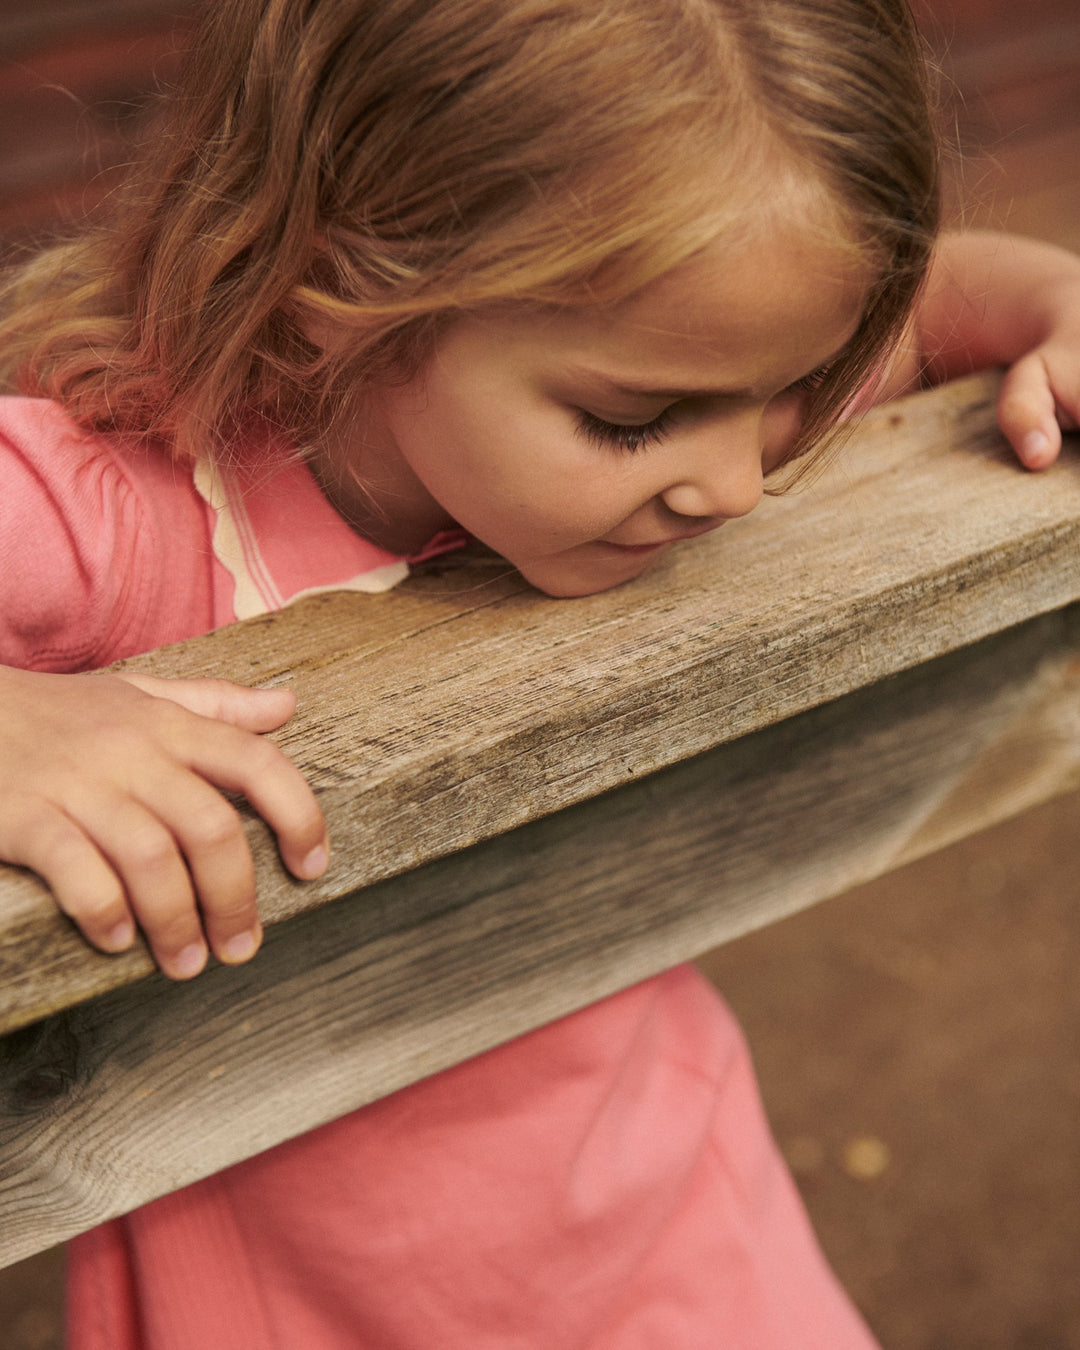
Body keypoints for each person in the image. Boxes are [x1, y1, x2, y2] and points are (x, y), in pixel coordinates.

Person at [1, 0, 1078, 1345]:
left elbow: (926, 293)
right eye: (631, 422)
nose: (739, 480)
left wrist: (1050, 297)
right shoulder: (118, 514)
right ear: (348, 286)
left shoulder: (695, 347)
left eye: (797, 387)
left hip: (682, 1232)